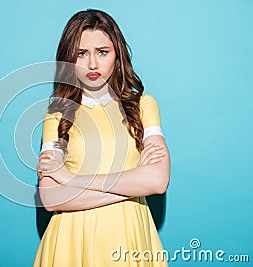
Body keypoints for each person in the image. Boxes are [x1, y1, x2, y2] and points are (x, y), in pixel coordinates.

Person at [34, 9, 170, 267]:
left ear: (117, 55)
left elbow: (157, 180)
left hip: (130, 238)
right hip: (70, 242)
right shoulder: (56, 115)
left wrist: (72, 180)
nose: (92, 64)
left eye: (102, 52)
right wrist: (132, 185)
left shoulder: (144, 106)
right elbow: (51, 199)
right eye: (81, 53)